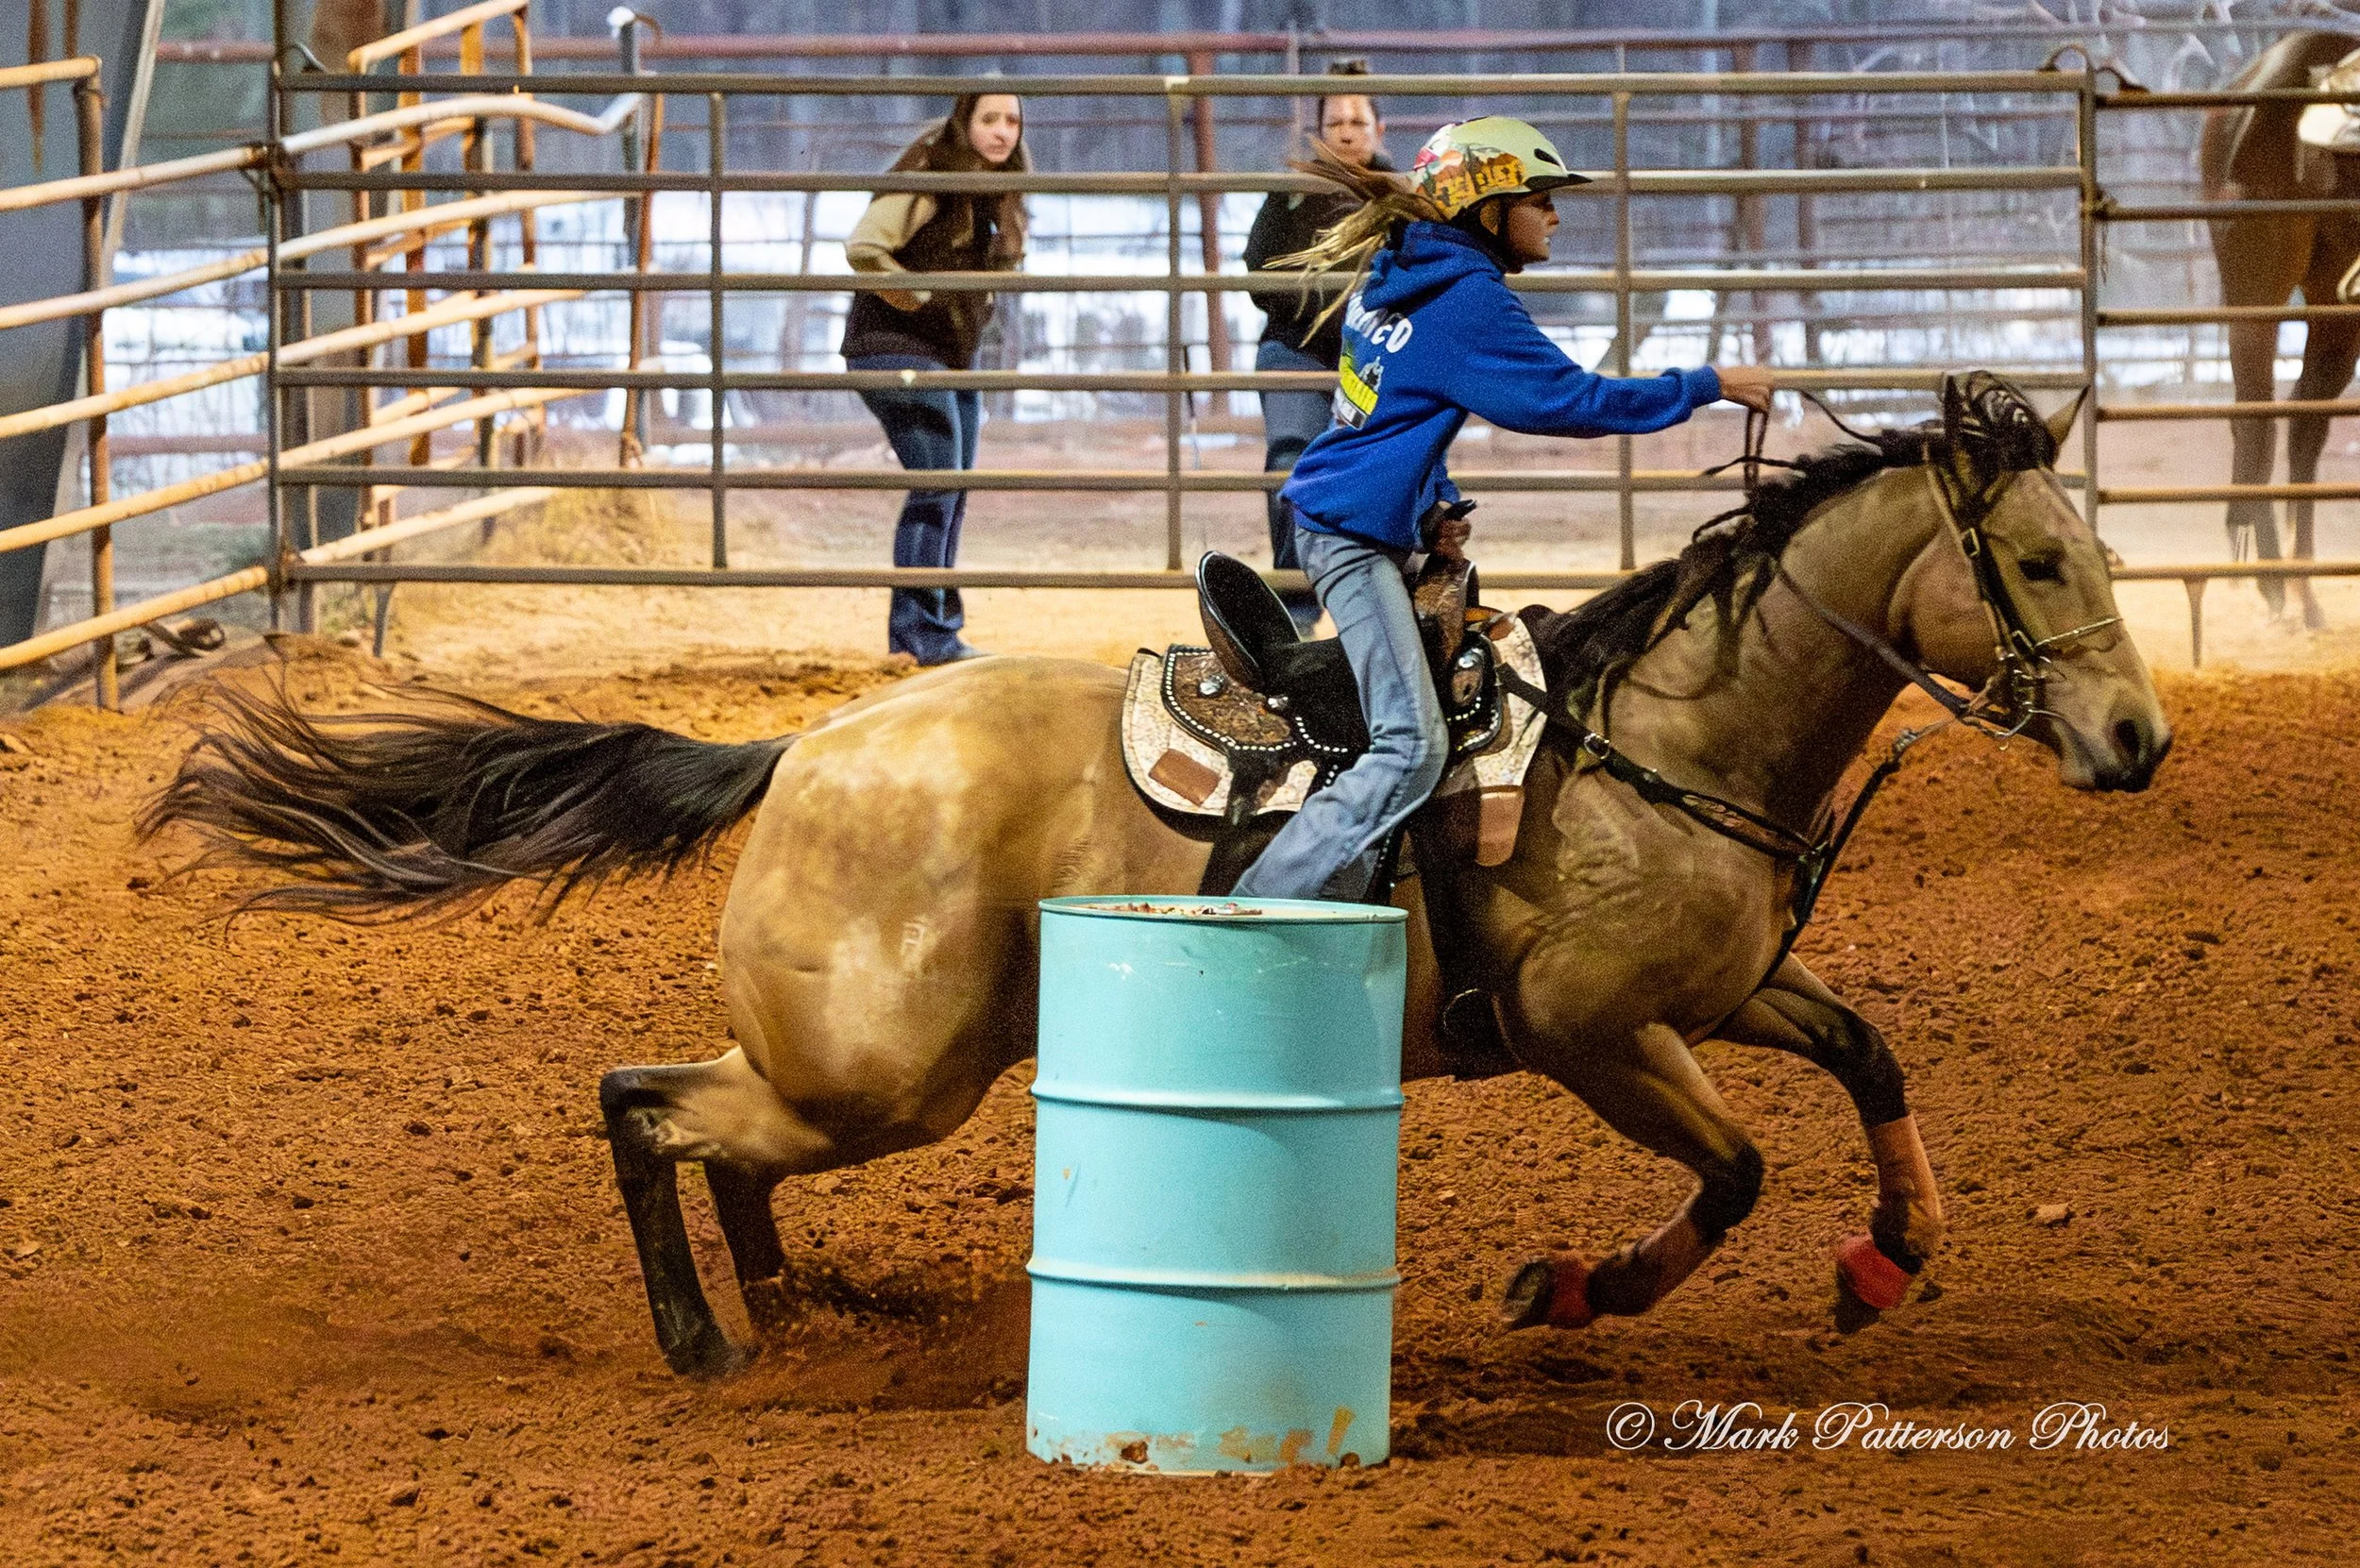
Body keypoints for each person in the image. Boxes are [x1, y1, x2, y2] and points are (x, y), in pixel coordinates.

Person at [1231, 116, 1777, 903]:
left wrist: (1431, 504)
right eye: (1540, 199)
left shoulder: (1399, 273)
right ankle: (1253, 904)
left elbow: (1389, 409)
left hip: (1347, 519)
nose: (1554, 215)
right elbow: (1571, 400)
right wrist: (1705, 384)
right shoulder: (1466, 300)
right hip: (1351, 539)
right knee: (1410, 749)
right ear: (1488, 210)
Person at [842, 92, 1028, 666]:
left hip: (950, 355)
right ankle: (925, 632)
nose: (1002, 131)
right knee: (938, 482)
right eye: (989, 119)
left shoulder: (996, 191)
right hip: (896, 345)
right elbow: (865, 246)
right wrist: (920, 299)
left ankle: (924, 631)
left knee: (951, 484)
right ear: (964, 122)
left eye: (1012, 121)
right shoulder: (931, 172)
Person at [1242, 60, 1392, 633]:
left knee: (1389, 470)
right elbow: (1260, 273)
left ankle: (1383, 604)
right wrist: (1334, 306)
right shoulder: (1293, 191)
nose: (1347, 133)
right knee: (1291, 460)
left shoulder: (1400, 196)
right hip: (1297, 348)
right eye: (1336, 123)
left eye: (1358, 121)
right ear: (1320, 132)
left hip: (1378, 354)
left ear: (1379, 129)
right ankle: (1296, 608)